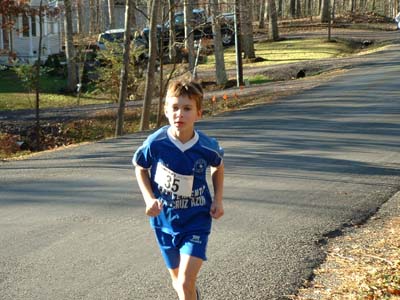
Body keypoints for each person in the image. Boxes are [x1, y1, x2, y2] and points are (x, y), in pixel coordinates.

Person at [133, 79, 224, 300]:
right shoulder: (156, 143)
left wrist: (218, 199)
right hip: (164, 222)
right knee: (179, 284)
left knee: (185, 282)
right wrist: (148, 198)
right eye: (174, 108)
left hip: (196, 220)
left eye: (187, 109)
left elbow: (218, 166)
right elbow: (140, 167)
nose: (179, 114)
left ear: (198, 114)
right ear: (166, 111)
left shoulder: (205, 146)